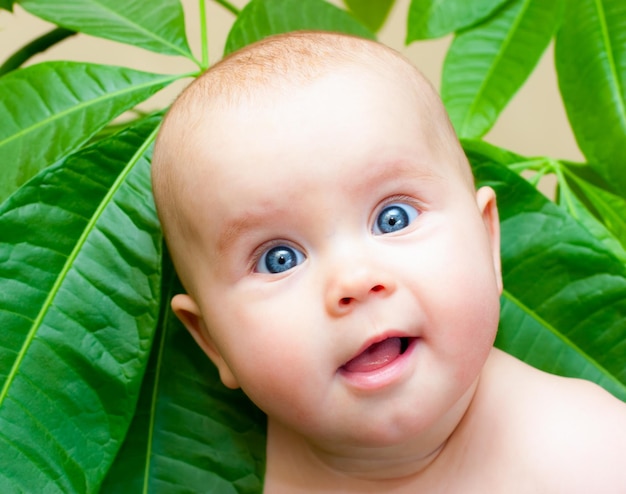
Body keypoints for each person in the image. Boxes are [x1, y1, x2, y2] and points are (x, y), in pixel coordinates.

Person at [151, 31, 626, 493]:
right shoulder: (208, 470)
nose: (354, 281)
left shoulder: (592, 454)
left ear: (487, 241)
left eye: (392, 218)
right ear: (211, 340)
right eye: (279, 259)